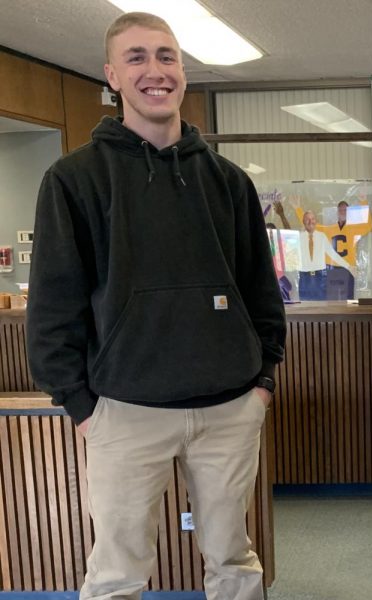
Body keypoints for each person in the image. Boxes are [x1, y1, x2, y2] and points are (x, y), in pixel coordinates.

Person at [25, 12, 286, 600]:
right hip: (123, 411)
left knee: (234, 560)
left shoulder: (228, 181)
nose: (155, 71)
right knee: (117, 572)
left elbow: (260, 291)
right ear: (112, 75)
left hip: (229, 409)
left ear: (183, 72)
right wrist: (82, 405)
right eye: (137, 58)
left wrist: (262, 379)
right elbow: (53, 303)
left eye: (166, 57)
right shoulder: (74, 180)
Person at [298, 209, 352, 300]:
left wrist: (348, 266)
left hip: (320, 276)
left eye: (313, 219)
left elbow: (332, 254)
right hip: (304, 276)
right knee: (305, 306)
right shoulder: (298, 237)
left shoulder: (321, 236)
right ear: (303, 222)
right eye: (307, 219)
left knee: (321, 306)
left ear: (316, 221)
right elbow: (292, 256)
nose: (311, 221)